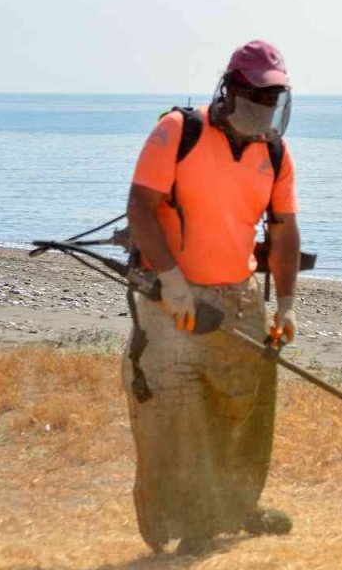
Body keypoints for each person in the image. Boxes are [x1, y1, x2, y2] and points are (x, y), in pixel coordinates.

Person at [124, 40, 301, 554]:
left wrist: (286, 303)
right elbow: (140, 205)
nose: (265, 113)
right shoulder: (178, 133)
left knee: (241, 405)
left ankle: (236, 505)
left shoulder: (274, 150)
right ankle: (182, 525)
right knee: (174, 412)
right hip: (171, 296)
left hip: (240, 294)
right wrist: (173, 280)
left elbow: (285, 230)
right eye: (257, 101)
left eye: (273, 103)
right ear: (230, 90)